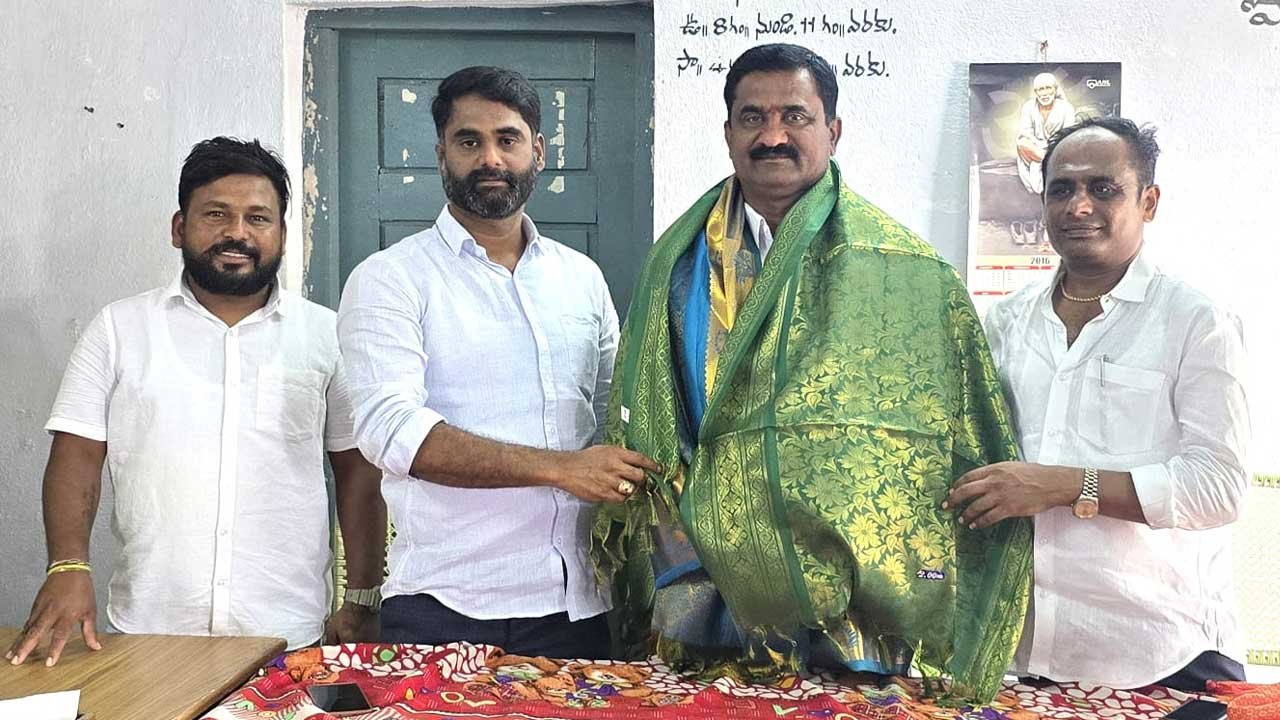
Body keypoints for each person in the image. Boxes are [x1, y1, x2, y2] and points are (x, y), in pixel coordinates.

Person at [591, 43, 1031, 700]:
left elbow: (943, 441)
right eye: (752, 117)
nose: (772, 135)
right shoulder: (675, 267)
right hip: (706, 597)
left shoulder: (908, 273)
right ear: (728, 132)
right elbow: (655, 425)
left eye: (794, 116)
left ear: (833, 130)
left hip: (860, 620)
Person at [6, 137, 386, 667]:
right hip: (149, 634)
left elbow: (357, 473)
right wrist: (68, 566)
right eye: (216, 214)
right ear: (179, 228)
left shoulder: (327, 336)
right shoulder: (119, 329)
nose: (237, 232)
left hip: (287, 636)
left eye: (258, 218)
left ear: (282, 234)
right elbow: (77, 455)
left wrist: (362, 596)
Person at [337, 66, 658, 659]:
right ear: (441, 154)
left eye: (507, 139)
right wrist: (560, 469)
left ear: (539, 151)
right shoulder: (391, 279)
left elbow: (616, 415)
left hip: (578, 609)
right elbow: (393, 433)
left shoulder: (580, 278)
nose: (490, 158)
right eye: (469, 141)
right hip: (443, 607)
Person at [949, 117, 1249, 690]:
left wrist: (1065, 485)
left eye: (1103, 188)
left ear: (1148, 202)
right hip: (1028, 652)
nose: (1078, 206)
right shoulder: (1007, 321)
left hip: (1165, 653)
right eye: (1061, 189)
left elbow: (1218, 488)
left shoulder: (1196, 322)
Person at [1016, 72, 1077, 195]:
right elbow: (1026, 132)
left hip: (1057, 147)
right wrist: (1040, 147)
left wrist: (1049, 147)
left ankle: (1045, 162)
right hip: (1035, 148)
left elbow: (1067, 134)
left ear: (1055, 89)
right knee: (1021, 142)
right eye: (1040, 89)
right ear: (1036, 92)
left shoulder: (1067, 108)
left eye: (1048, 88)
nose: (1044, 93)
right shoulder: (1028, 107)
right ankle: (1045, 160)